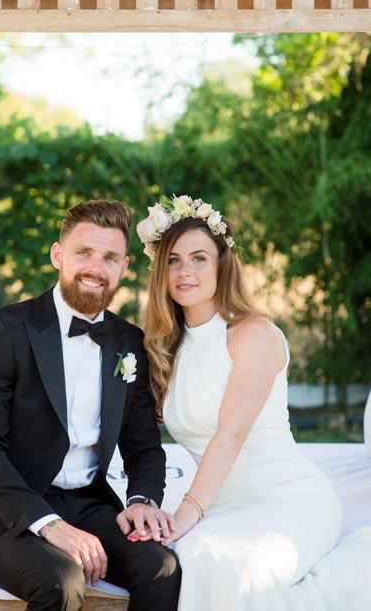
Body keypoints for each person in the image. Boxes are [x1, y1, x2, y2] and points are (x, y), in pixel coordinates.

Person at [0, 200, 181, 611]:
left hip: (88, 502)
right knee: (61, 580)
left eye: (108, 257)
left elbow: (144, 445)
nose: (95, 267)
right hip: (3, 508)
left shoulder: (129, 343)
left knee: (162, 567)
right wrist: (50, 525)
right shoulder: (3, 329)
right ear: (58, 255)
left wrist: (142, 501)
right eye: (83, 253)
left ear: (123, 267)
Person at [135, 194, 345, 610]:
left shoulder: (253, 334)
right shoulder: (163, 350)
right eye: (173, 260)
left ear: (221, 265)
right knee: (181, 561)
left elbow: (229, 435)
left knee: (226, 563)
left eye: (199, 258)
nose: (185, 271)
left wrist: (186, 513)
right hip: (222, 508)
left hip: (288, 500)